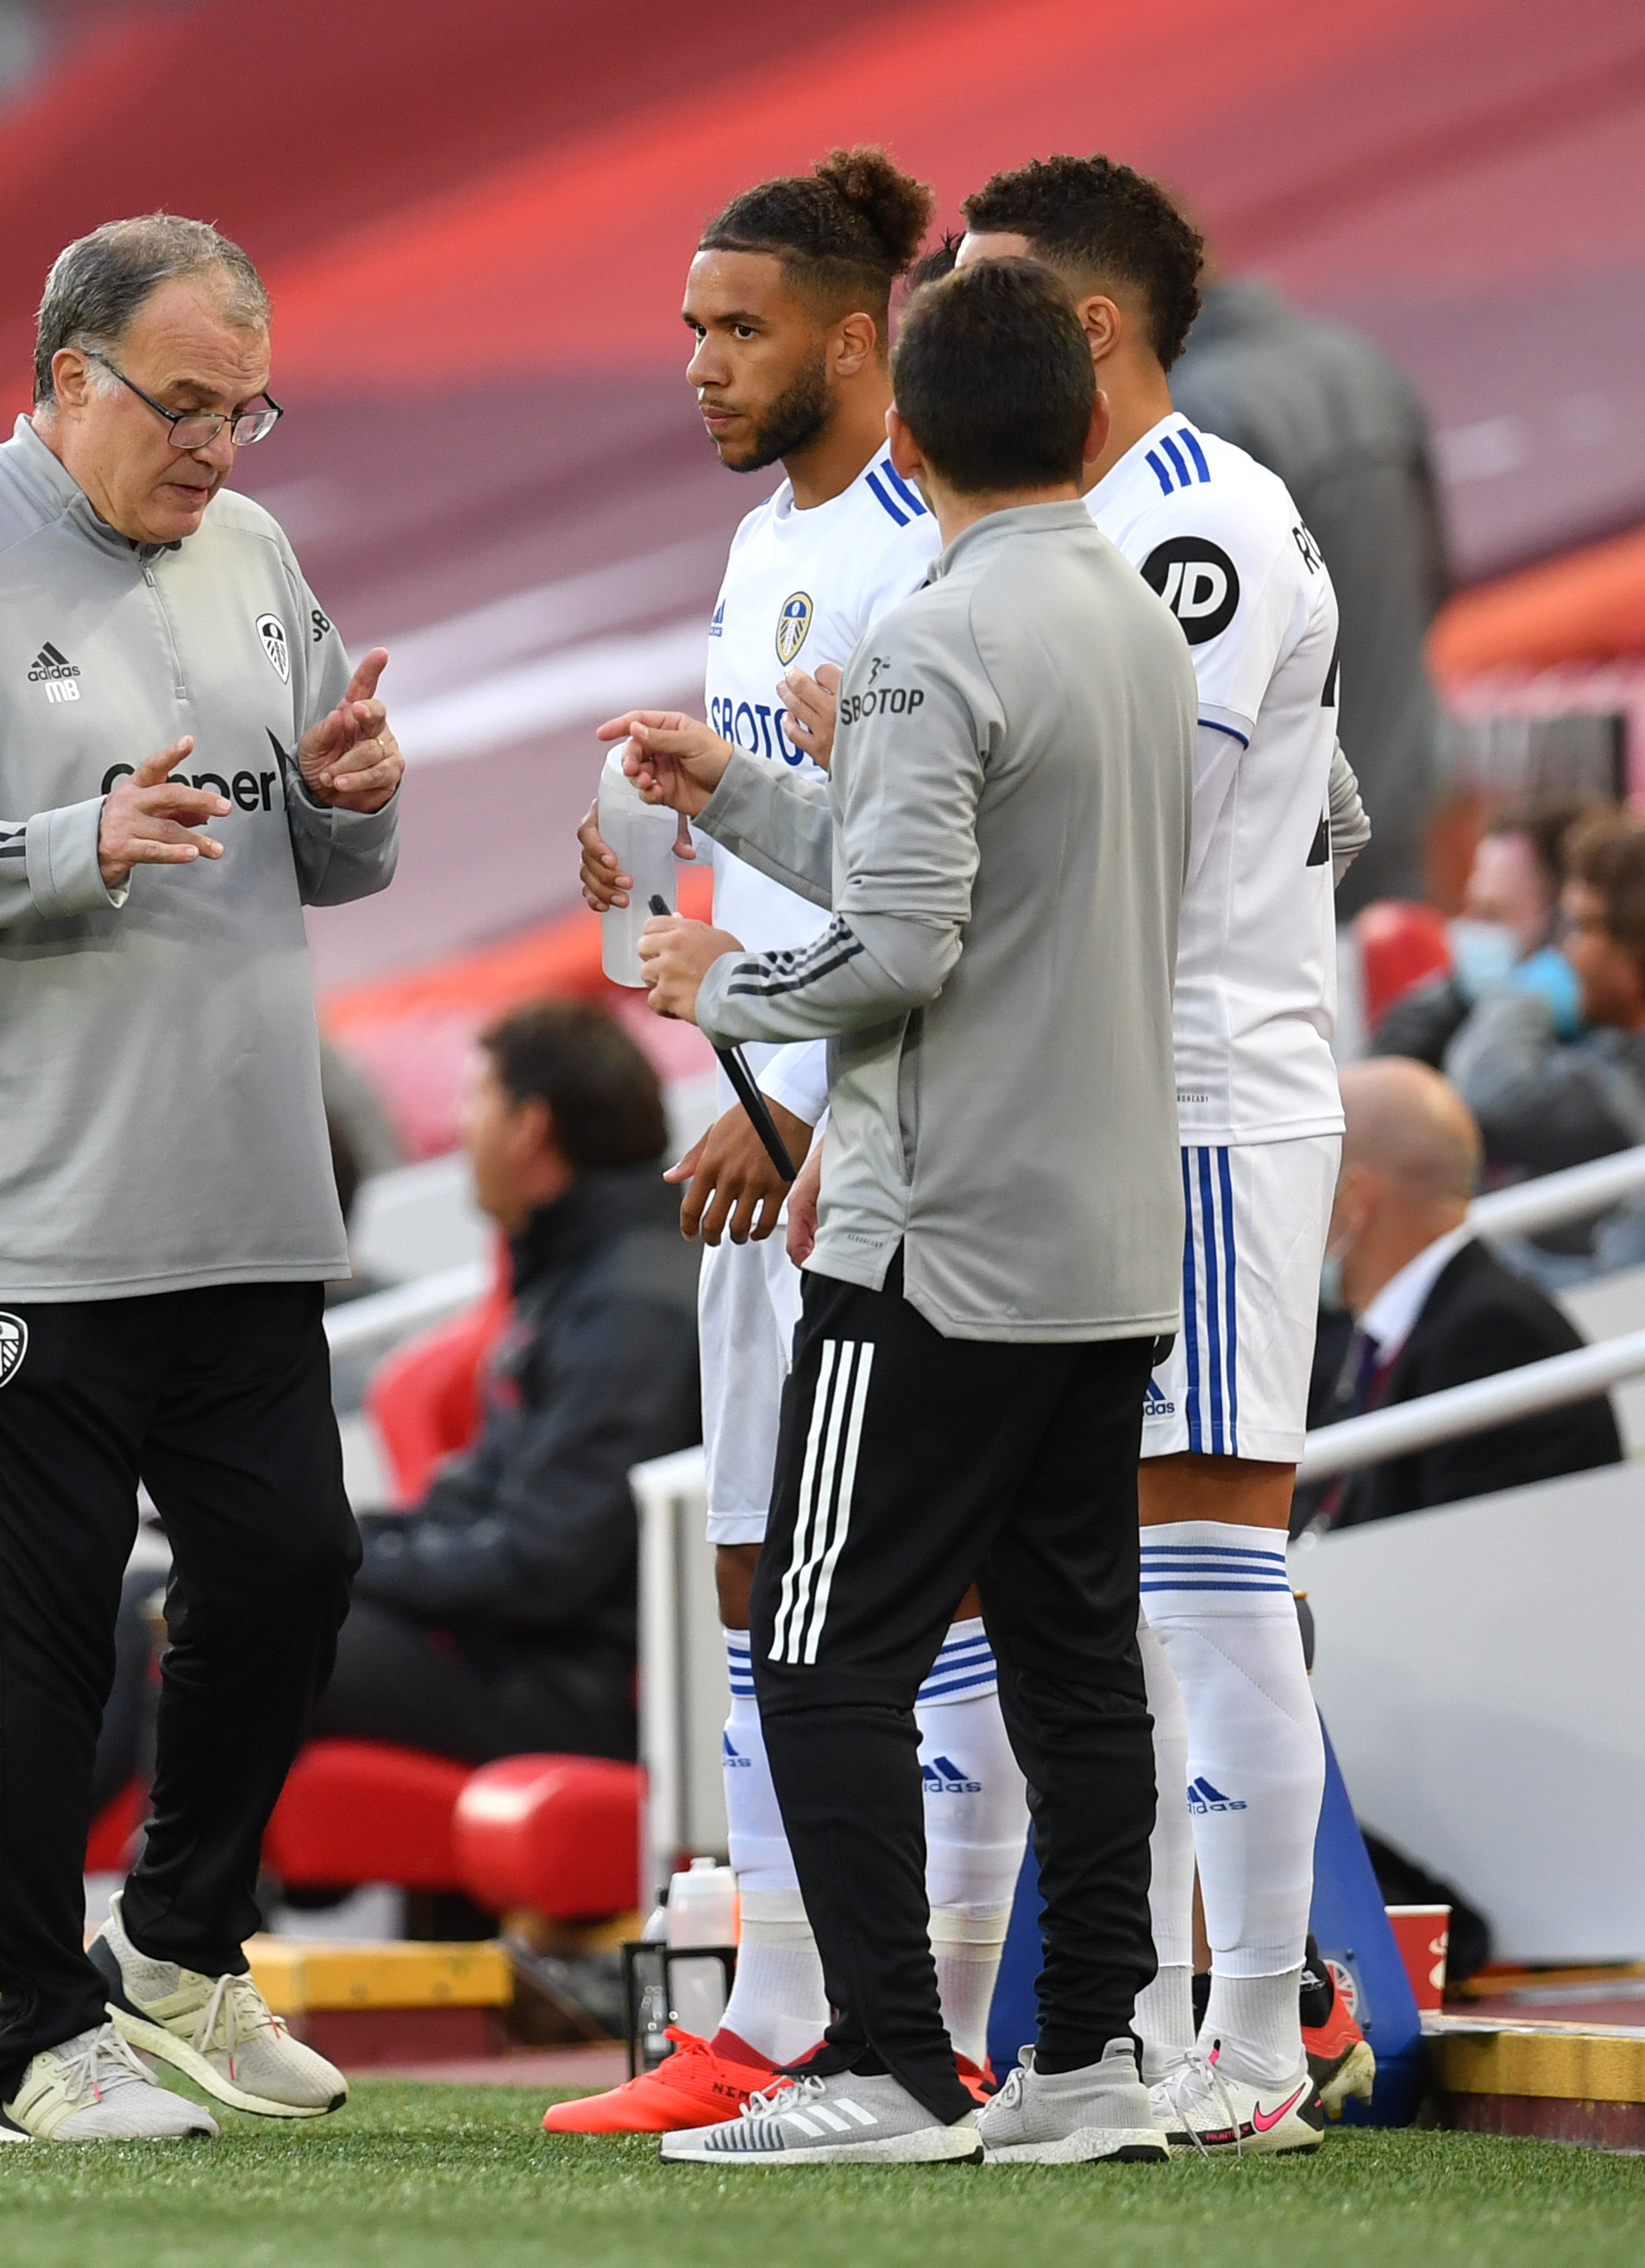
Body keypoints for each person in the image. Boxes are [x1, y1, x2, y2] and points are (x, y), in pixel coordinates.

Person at [0, 213, 403, 2145]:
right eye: (182, 403)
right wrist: (71, 841)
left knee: (296, 1563)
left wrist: (354, 799)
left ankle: (181, 1950)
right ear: (66, 381)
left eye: (246, 408)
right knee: (14, 1648)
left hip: (229, 1207)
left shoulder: (254, 552)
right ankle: (36, 2040)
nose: (217, 446)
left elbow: (309, 850)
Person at [625, 255, 1194, 2168]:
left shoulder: (942, 635)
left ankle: (881, 2058)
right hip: (1102, 1230)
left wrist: (720, 981)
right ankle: (1091, 2055)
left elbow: (900, 947)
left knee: (822, 1641)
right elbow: (992, 884)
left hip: (935, 1228)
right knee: (1070, 1653)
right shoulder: (1127, 619)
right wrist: (750, 795)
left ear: (918, 425)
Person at [556, 148, 1029, 2138]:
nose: (699, 363)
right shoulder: (772, 540)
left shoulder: (932, 547)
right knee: (768, 1563)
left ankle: (935, 2011)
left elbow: (961, 870)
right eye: (688, 327)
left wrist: (821, 1117)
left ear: (862, 334)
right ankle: (771, 2000)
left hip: (872, 1133)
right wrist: (672, 822)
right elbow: (809, 828)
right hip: (754, 1107)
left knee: (938, 1592)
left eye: (738, 328)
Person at [956, 156, 1371, 2148]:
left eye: (986, 296)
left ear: (1090, 326)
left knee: (1209, 1570)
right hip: (1110, 1093)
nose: (950, 325)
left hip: (1195, 1088)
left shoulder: (1197, 519)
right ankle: (1139, 2022)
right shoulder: (1092, 519)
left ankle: (1257, 2042)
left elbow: (1140, 818)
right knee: (1101, 1585)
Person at [311, 1000, 699, 1765]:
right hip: (524, 1654)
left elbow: (545, 1564)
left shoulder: (629, 1307)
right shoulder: (579, 1281)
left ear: (529, 1126)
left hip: (572, 1691)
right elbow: (479, 1508)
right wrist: (327, 1544)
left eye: (474, 1098)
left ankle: (171, 1881)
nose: (459, 1126)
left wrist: (333, 1558)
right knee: (201, 1605)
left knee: (232, 1630)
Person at [1169, 273, 1449, 913]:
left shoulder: (1195, 416)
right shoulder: (1362, 365)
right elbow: (1438, 574)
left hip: (1277, 836)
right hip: (1403, 790)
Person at [1297, 1060, 1621, 1532]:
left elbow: (1469, 1570)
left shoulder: (1495, 1338)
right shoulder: (1388, 1330)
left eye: (1304, 1184)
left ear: (1355, 1200)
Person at [1447, 814, 1645, 1270]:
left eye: (1577, 926)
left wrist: (1465, 1276)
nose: (1562, 951)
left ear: (1640, 949)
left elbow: (1630, 1283)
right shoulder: (1624, 1053)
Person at [1373, 803, 1597, 1069]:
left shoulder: (1598, 1042)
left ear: (1564, 921)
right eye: (1470, 907)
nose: (1471, 926)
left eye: (1494, 914)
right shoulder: (1445, 1009)